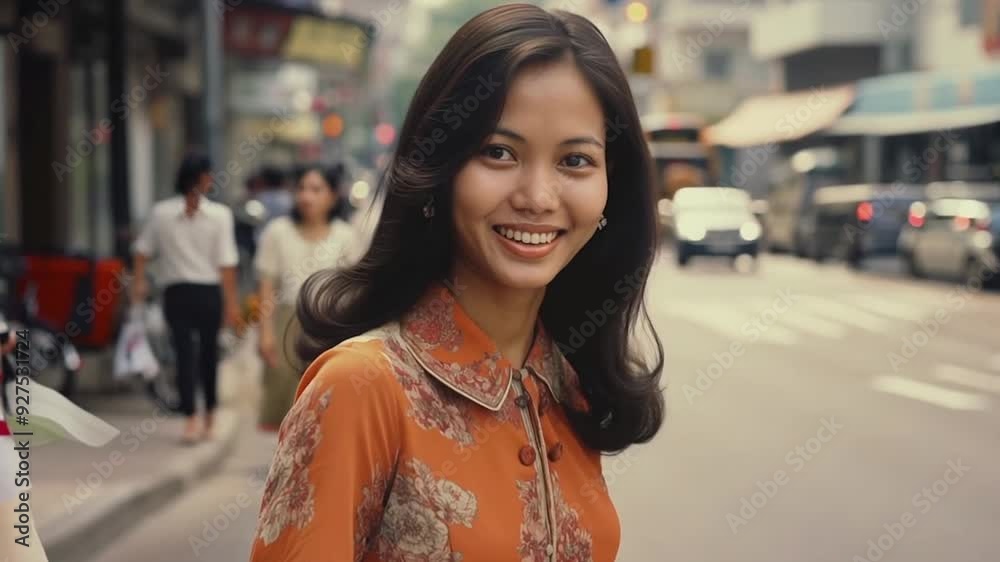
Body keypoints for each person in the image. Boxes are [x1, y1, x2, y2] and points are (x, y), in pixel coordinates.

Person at [249, 5, 664, 561]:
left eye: (575, 160)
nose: (538, 197)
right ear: (437, 169)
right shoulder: (361, 389)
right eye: (499, 152)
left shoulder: (567, 382)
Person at [132, 151, 242, 444]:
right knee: (184, 354)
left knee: (208, 354)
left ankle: (210, 415)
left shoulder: (219, 216)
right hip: (177, 291)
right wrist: (139, 283)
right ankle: (191, 417)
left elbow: (226, 264)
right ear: (199, 177)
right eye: (207, 175)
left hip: (208, 291)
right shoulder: (163, 214)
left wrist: (231, 304)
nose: (210, 181)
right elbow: (142, 250)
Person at [253, 164, 354, 432]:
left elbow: (353, 292)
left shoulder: (345, 236)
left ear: (332, 196)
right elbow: (266, 286)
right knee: (286, 401)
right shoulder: (278, 231)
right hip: (286, 324)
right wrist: (265, 333)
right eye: (301, 188)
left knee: (326, 403)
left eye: (316, 189)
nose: (307, 196)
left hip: (329, 327)